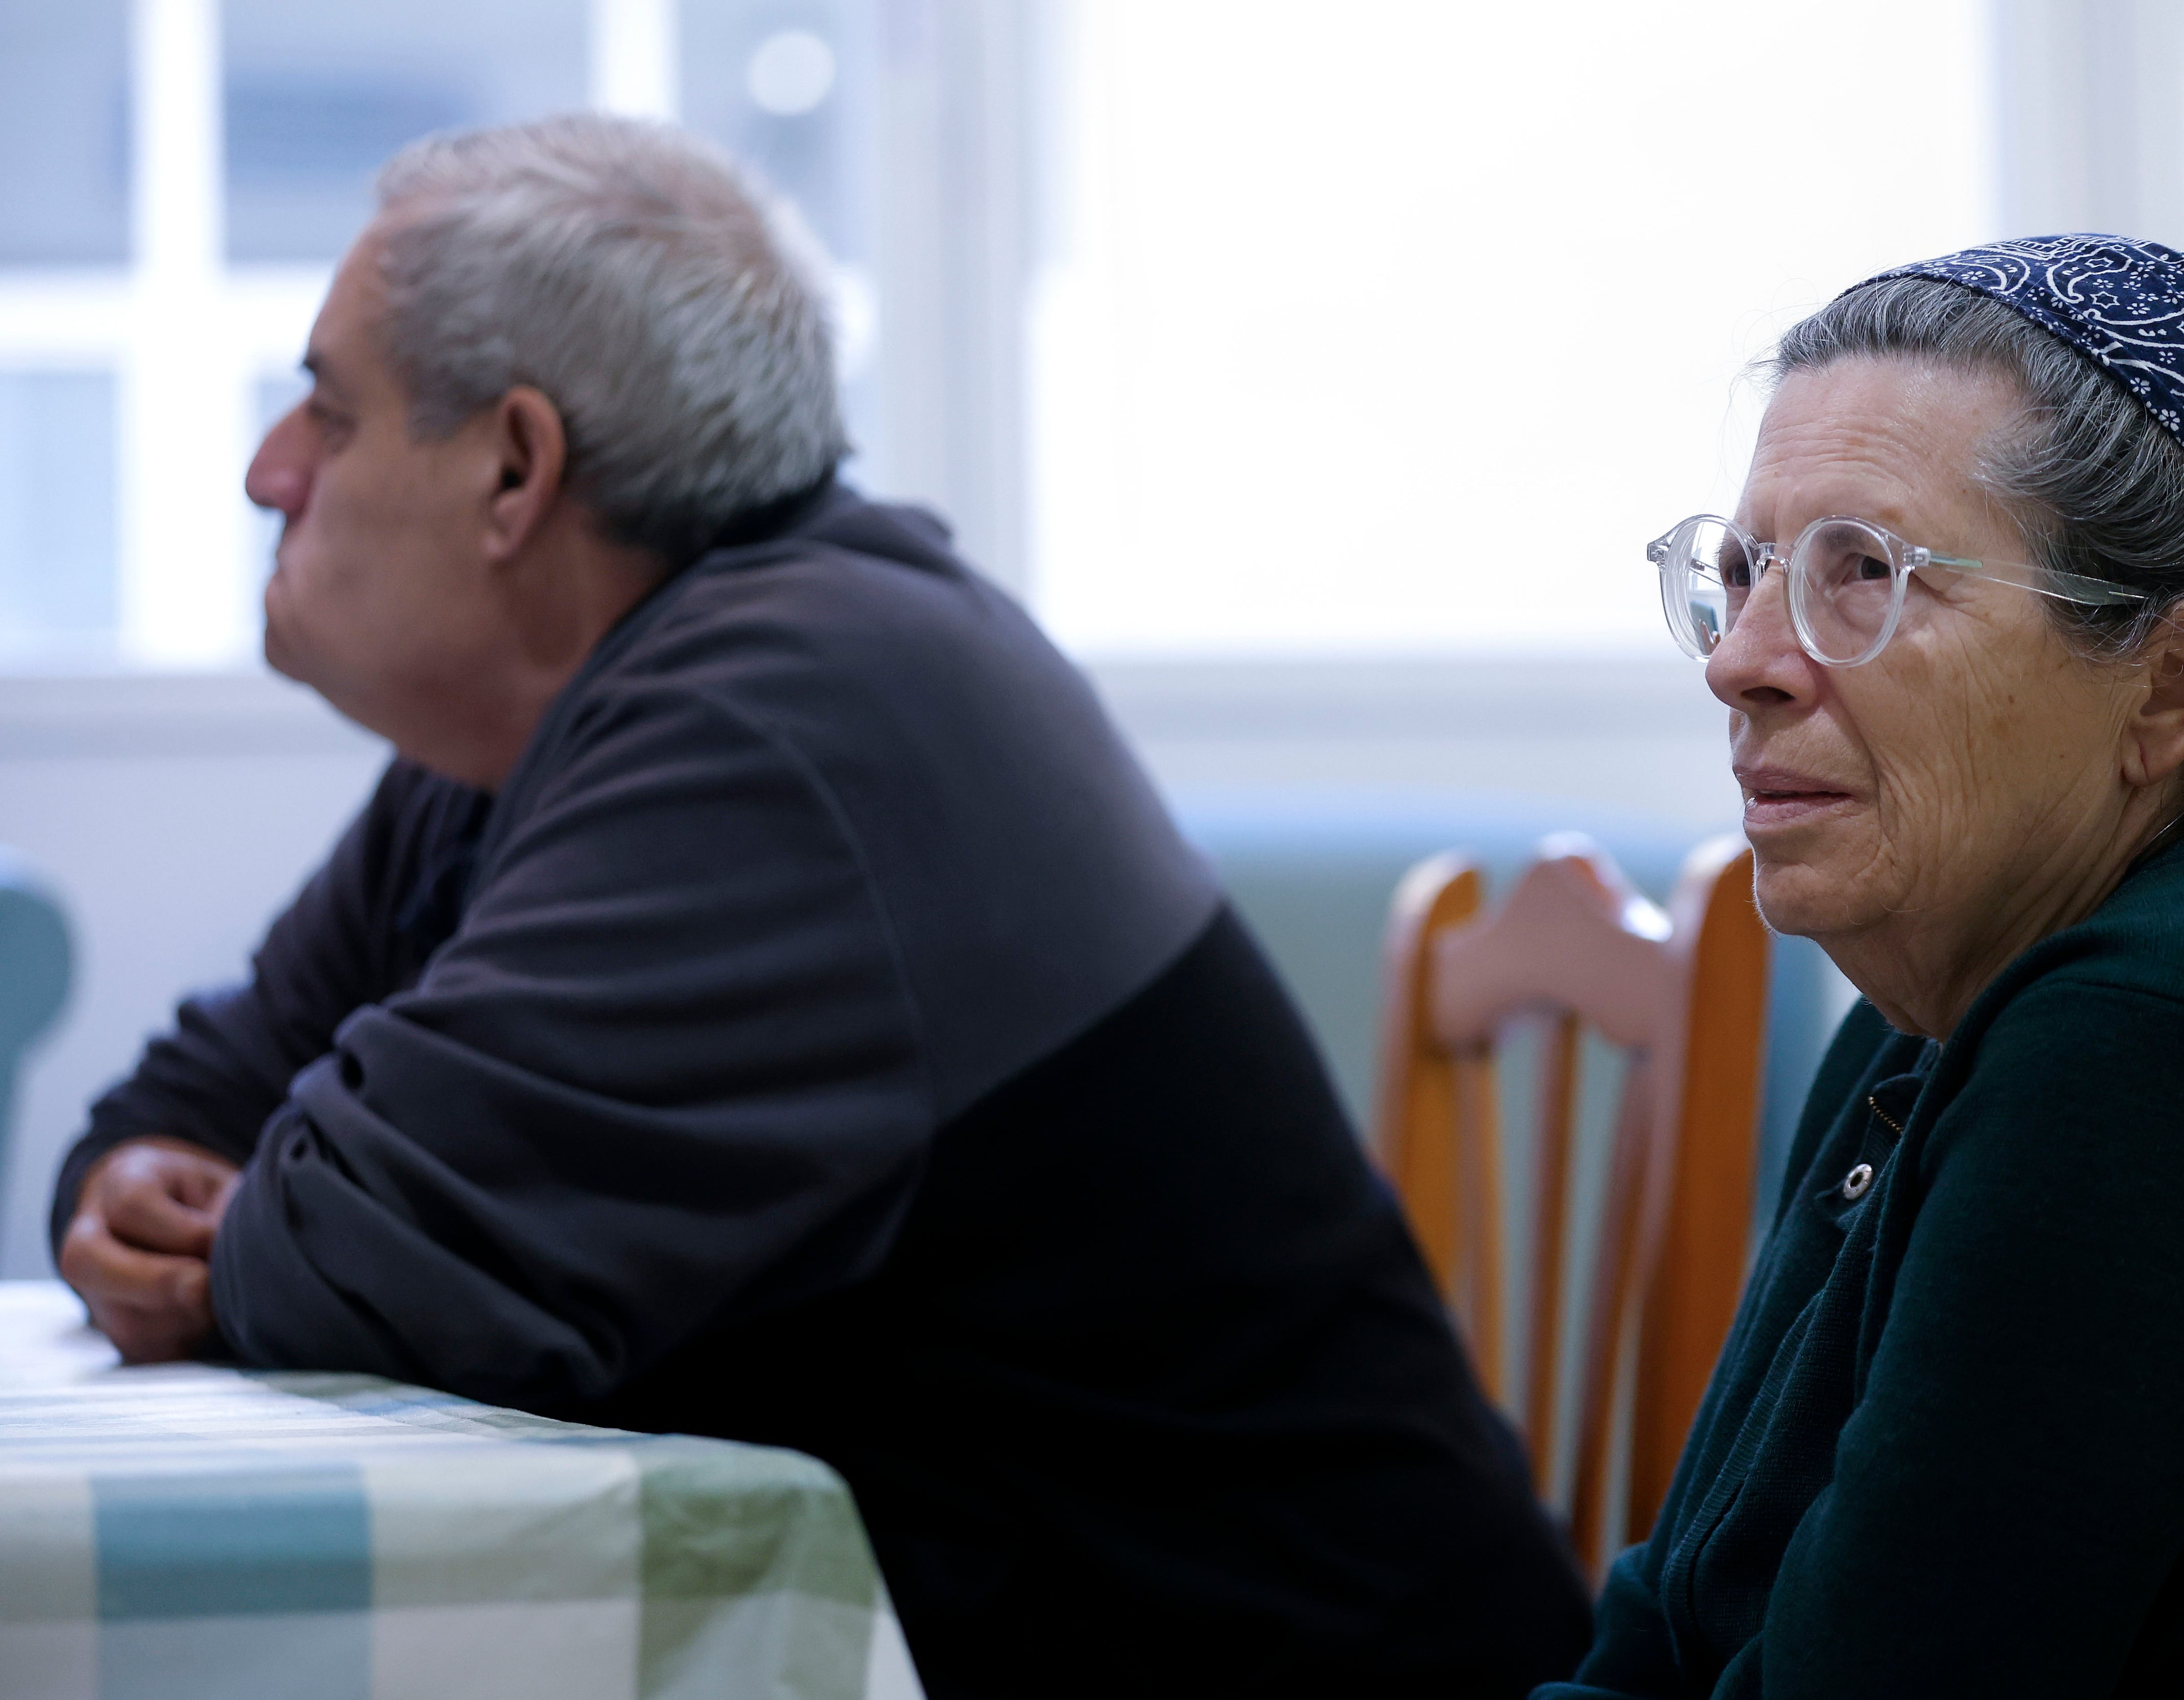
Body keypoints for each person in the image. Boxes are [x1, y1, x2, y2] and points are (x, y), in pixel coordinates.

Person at [48, 115, 1591, 1698]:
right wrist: (158, 1192)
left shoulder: (793, 721)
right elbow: (194, 1109)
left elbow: (355, 1264)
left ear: (517, 468)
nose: (268, 471)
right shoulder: (544, 720)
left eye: (330, 407)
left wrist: (232, 1222)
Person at [1548, 235, 2184, 1697]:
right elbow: (1679, 1621)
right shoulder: (1953, 977)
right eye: (1748, 571)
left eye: (1865, 574)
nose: (1741, 660)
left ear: (2172, 686)